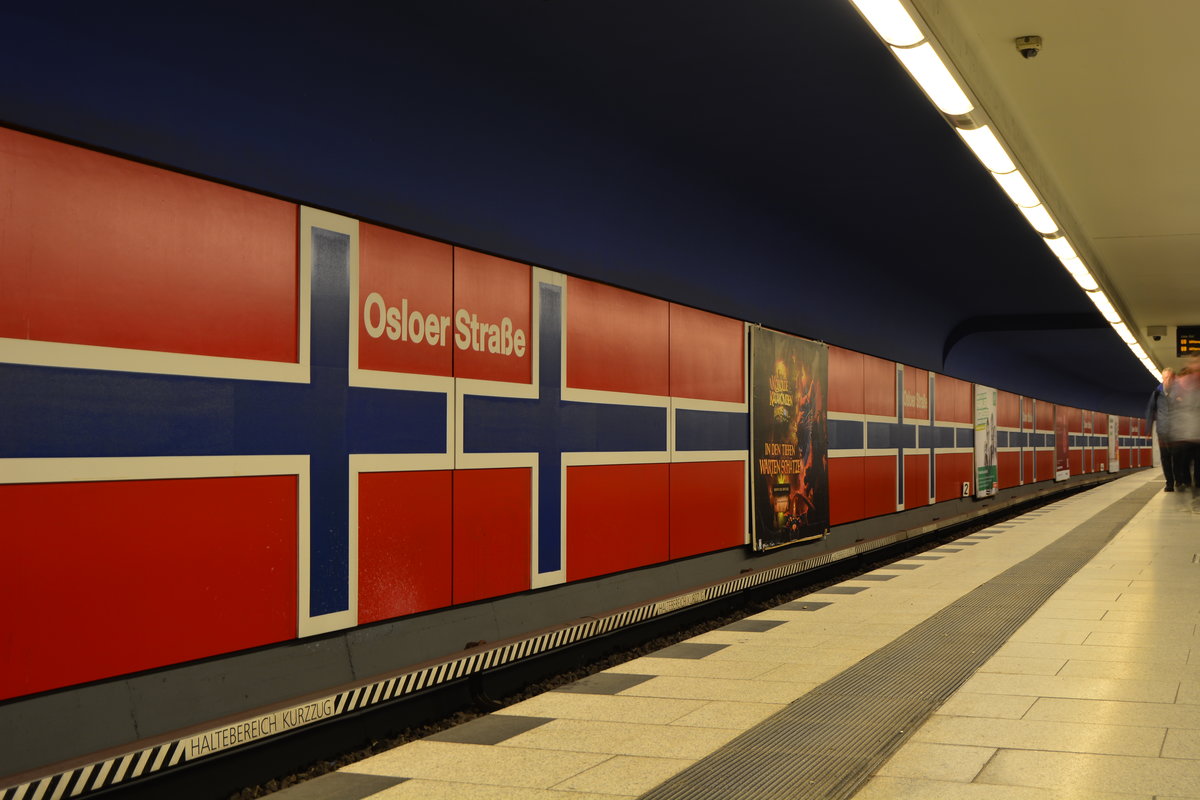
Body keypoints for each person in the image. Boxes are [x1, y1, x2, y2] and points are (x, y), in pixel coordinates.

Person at [1172, 357, 1200, 493]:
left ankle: (1195, 486)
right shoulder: (1181, 383)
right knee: (1184, 462)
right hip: (1184, 433)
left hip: (1195, 432)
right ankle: (1186, 482)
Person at [1146, 368, 1177, 490]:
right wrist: (1148, 427)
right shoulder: (1157, 393)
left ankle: (1179, 479)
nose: (1167, 380)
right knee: (1165, 457)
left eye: (1169, 377)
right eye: (1165, 378)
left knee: (1177, 456)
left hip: (1177, 430)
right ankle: (1169, 483)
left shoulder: (1180, 392)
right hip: (1162, 430)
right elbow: (1150, 409)